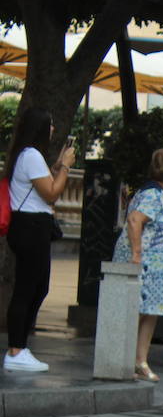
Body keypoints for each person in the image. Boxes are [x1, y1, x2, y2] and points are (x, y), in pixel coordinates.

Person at [4, 107, 75, 372]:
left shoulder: (25, 155)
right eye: (51, 124)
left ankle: (20, 347)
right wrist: (66, 166)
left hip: (30, 226)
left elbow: (42, 186)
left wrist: (56, 166)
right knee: (28, 288)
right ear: (41, 128)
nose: (54, 129)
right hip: (31, 227)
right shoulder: (32, 155)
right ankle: (16, 349)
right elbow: (52, 193)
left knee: (36, 287)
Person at [112, 147, 163, 381]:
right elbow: (135, 220)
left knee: (149, 314)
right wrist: (136, 254)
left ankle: (139, 361)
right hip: (146, 265)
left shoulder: (161, 196)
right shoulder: (152, 195)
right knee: (137, 313)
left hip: (158, 269)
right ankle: (125, 360)